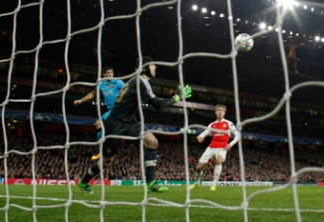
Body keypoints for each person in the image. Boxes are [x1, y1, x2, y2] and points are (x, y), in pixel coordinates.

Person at [78, 57, 192, 194]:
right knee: (107, 162)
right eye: (152, 65)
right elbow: (158, 105)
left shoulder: (139, 82)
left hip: (130, 122)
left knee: (152, 141)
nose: (155, 67)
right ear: (144, 68)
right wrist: (178, 97)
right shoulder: (140, 82)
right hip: (115, 125)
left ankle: (150, 183)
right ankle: (83, 181)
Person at [74, 66, 125, 161]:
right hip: (111, 111)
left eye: (111, 73)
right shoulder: (102, 84)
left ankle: (105, 149)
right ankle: (102, 150)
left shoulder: (118, 82)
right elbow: (93, 94)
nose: (110, 74)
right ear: (104, 74)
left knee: (102, 125)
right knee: (98, 124)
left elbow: (127, 91)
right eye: (108, 73)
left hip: (119, 109)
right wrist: (81, 100)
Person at [189, 104, 239, 191]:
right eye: (218, 110)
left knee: (218, 160)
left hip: (222, 148)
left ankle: (214, 184)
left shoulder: (229, 123)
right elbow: (204, 133)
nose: (220, 111)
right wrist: (199, 137)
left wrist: (230, 144)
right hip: (211, 148)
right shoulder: (212, 124)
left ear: (224, 113)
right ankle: (196, 183)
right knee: (199, 168)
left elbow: (238, 135)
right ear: (216, 112)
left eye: (222, 110)